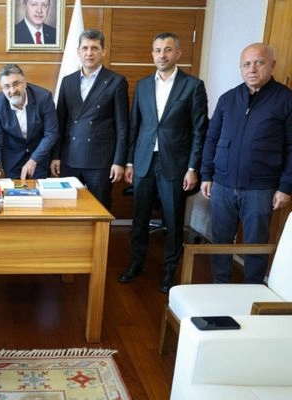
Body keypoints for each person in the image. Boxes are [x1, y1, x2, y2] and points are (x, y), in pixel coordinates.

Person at [118, 32, 208, 293]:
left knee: (173, 221)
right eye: (157, 50)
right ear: (152, 54)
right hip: (144, 161)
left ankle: (169, 272)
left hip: (175, 165)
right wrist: (130, 163)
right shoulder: (143, 85)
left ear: (178, 53)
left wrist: (192, 168)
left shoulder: (193, 86)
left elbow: (199, 130)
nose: (162, 55)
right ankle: (136, 264)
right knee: (139, 218)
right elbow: (135, 126)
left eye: (168, 50)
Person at [200, 43, 292, 284]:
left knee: (255, 244)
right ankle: (220, 286)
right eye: (246, 64)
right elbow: (211, 139)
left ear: (272, 65)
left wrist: (286, 187)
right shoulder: (228, 99)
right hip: (222, 185)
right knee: (220, 241)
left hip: (260, 189)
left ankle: (252, 291)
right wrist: (206, 174)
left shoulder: (285, 99)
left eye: (259, 63)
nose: (252, 69)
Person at [51, 29, 129, 210]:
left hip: (100, 161)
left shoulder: (116, 81)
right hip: (69, 159)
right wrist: (55, 156)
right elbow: (60, 123)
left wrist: (119, 161)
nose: (89, 53)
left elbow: (122, 126)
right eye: (85, 48)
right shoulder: (67, 81)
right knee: (67, 209)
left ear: (103, 51)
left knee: (99, 211)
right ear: (78, 51)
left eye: (94, 48)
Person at [0, 64, 59, 180]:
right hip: (12, 159)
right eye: (6, 86)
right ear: (2, 89)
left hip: (39, 157)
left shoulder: (44, 98)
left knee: (38, 190)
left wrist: (34, 160)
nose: (12, 90)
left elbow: (51, 133)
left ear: (24, 82)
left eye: (16, 84)